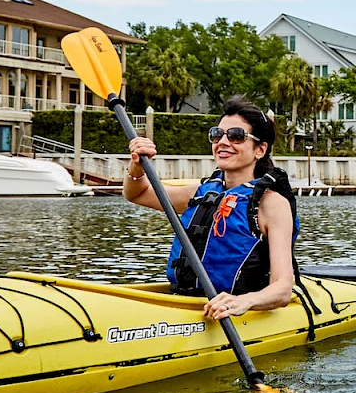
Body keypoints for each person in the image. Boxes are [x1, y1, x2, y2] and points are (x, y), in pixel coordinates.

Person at [125, 97, 297, 322]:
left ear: (260, 149)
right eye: (217, 134)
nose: (223, 142)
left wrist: (243, 302)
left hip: (238, 309)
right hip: (186, 302)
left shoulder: (271, 204)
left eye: (236, 136)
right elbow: (137, 193)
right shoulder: (201, 193)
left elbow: (283, 288)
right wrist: (136, 166)